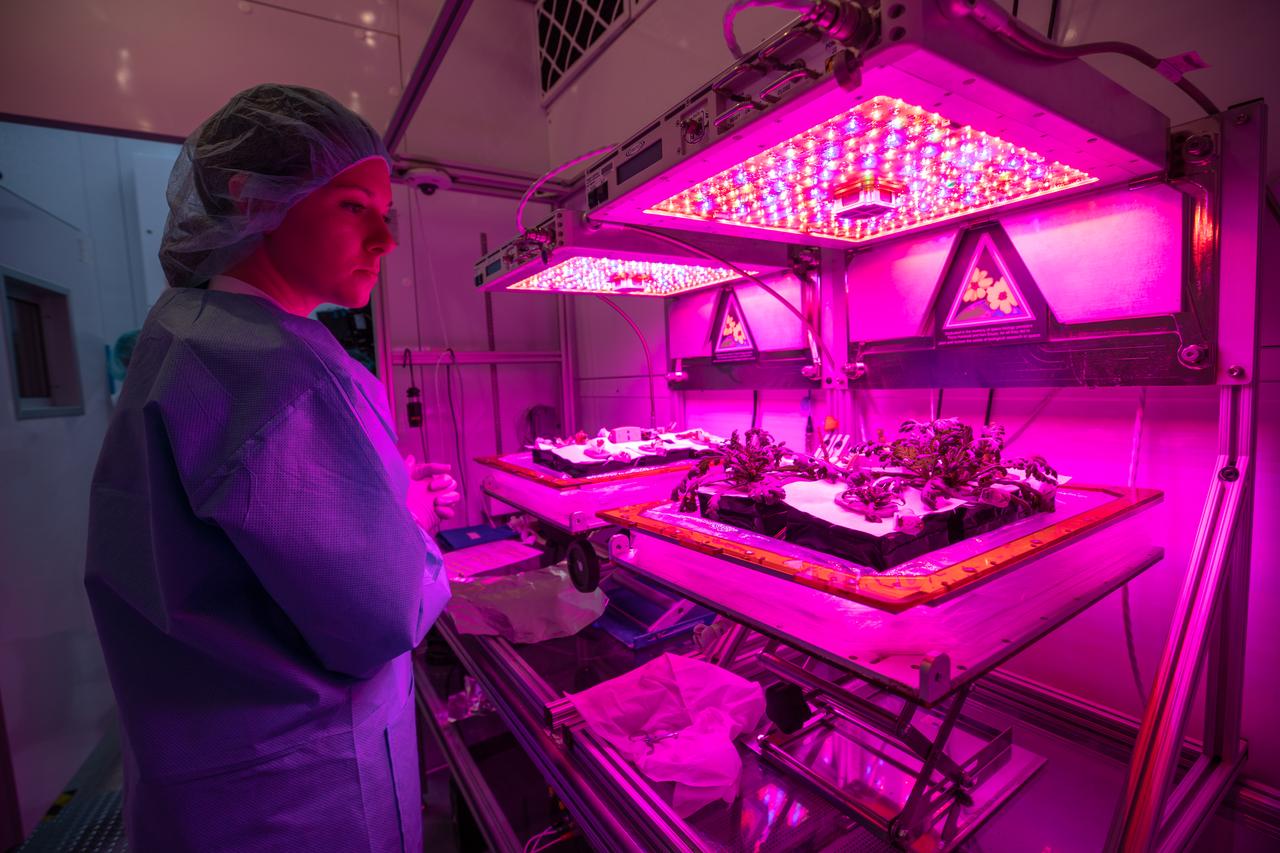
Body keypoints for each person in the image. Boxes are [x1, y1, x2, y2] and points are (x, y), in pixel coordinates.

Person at [84, 84, 456, 852]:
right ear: (252, 198)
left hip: (210, 784)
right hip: (300, 800)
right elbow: (382, 616)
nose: (385, 239)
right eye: (354, 206)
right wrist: (413, 524)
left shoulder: (184, 333)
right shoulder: (280, 371)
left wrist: (386, 503)